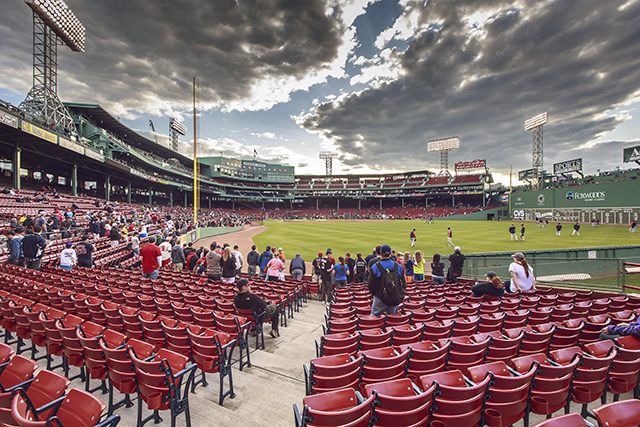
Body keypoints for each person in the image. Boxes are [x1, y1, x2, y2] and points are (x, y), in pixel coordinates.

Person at [368, 245, 406, 317]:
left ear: (381, 253)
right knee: (393, 319)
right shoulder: (398, 267)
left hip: (380, 298)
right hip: (394, 296)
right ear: (390, 253)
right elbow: (403, 284)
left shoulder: (375, 267)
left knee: (375, 318)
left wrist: (376, 294)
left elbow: (370, 285)